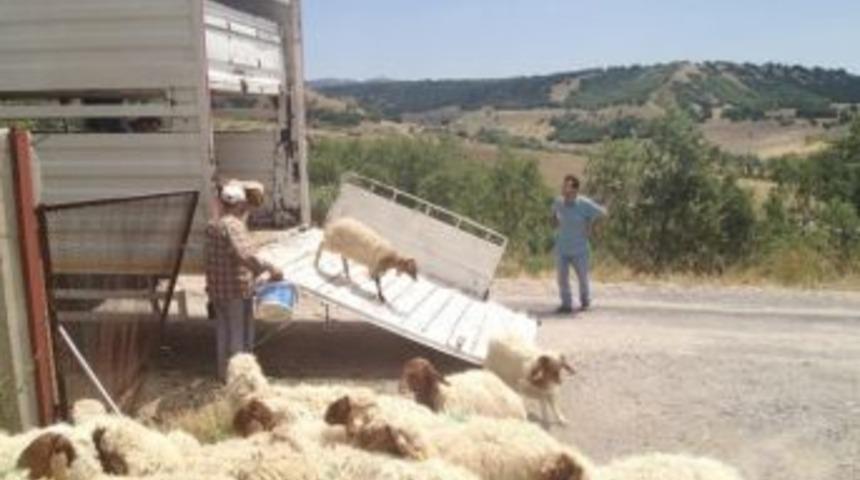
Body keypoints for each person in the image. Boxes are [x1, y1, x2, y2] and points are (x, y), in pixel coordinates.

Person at [205, 181, 283, 380]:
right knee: (239, 335)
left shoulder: (213, 225)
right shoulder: (233, 225)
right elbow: (245, 256)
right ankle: (239, 378)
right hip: (235, 290)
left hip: (217, 290)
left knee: (223, 331)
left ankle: (224, 374)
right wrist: (270, 268)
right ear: (239, 204)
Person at [551, 174, 607, 314]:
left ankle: (585, 301)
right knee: (562, 278)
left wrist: (590, 223)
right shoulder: (558, 202)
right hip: (562, 248)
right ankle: (566, 304)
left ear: (575, 190)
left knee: (582, 278)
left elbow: (603, 213)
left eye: (567, 186)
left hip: (580, 249)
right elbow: (553, 217)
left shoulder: (584, 203)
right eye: (563, 185)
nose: (563, 188)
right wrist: (554, 220)